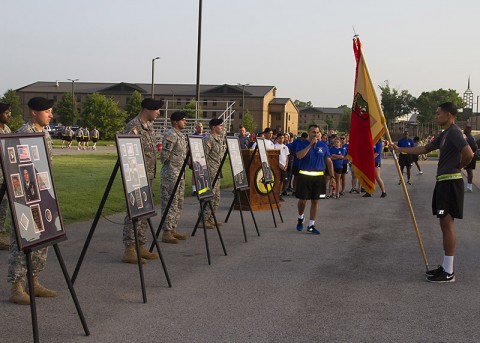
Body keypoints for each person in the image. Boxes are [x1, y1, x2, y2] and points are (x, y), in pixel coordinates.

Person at [389, 102, 474, 283]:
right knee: (444, 224)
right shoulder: (444, 134)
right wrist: (400, 149)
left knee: (447, 224)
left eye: (438, 113)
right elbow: (425, 149)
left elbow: (469, 153)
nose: (436, 116)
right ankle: (445, 266)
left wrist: (458, 166)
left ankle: (449, 271)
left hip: (451, 182)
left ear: (449, 114)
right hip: (443, 183)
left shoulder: (454, 132)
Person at [8, 97, 56, 305]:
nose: (51, 115)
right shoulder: (23, 134)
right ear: (34, 112)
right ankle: (16, 286)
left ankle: (33, 280)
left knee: (42, 238)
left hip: (43, 194)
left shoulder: (44, 133)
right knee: (22, 240)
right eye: (47, 111)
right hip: (25, 196)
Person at [121, 98, 164, 264]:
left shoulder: (149, 127)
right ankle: (129, 249)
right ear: (148, 109)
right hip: (136, 177)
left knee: (145, 211)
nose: (159, 113)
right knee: (134, 212)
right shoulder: (133, 126)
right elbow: (127, 153)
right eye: (157, 110)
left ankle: (141, 245)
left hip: (148, 176)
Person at [295, 125, 334, 235]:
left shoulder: (323, 145)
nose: (315, 134)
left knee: (315, 201)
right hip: (304, 176)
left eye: (317, 132)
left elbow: (329, 161)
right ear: (308, 133)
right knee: (302, 201)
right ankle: (300, 217)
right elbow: (299, 156)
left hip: (318, 177)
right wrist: (310, 145)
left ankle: (311, 225)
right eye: (313, 132)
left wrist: (332, 177)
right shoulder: (301, 144)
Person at [160, 111, 188, 244]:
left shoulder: (181, 136)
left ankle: (172, 228)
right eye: (183, 119)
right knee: (169, 202)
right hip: (171, 174)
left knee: (178, 202)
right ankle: (166, 231)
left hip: (180, 174)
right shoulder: (171, 135)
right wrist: (171, 166)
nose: (185, 121)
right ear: (175, 122)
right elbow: (164, 156)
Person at [201, 118, 225, 228]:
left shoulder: (218, 139)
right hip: (210, 173)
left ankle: (211, 217)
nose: (222, 127)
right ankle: (203, 219)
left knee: (216, 197)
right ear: (214, 127)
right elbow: (203, 156)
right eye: (220, 125)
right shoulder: (208, 139)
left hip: (217, 172)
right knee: (209, 196)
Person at [0, 103, 12, 250]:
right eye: (6, 113)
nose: (8, 115)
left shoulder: (7, 129)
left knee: (3, 207)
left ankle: (0, 237)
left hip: (5, 175)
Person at [192, 122, 206, 196]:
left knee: (203, 172)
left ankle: (202, 188)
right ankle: (194, 189)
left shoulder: (205, 136)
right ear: (196, 128)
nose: (200, 128)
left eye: (201, 126)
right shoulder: (193, 136)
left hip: (203, 157)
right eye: (198, 127)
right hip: (195, 156)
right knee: (194, 173)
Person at [274, 133, 289, 201]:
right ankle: (275, 195)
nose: (281, 139)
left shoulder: (285, 147)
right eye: (280, 138)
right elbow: (274, 158)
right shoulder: (275, 146)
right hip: (278, 166)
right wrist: (279, 165)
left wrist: (286, 165)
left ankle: (279, 194)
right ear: (277, 138)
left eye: (283, 138)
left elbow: (286, 157)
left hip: (284, 166)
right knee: (277, 181)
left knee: (282, 181)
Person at [463, 125, 477, 192]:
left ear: (468, 130)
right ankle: (469, 186)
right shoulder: (468, 138)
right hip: (468, 156)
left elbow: (475, 147)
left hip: (470, 156)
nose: (464, 130)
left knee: (469, 171)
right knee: (468, 171)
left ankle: (469, 186)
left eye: (465, 129)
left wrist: (471, 153)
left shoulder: (470, 138)